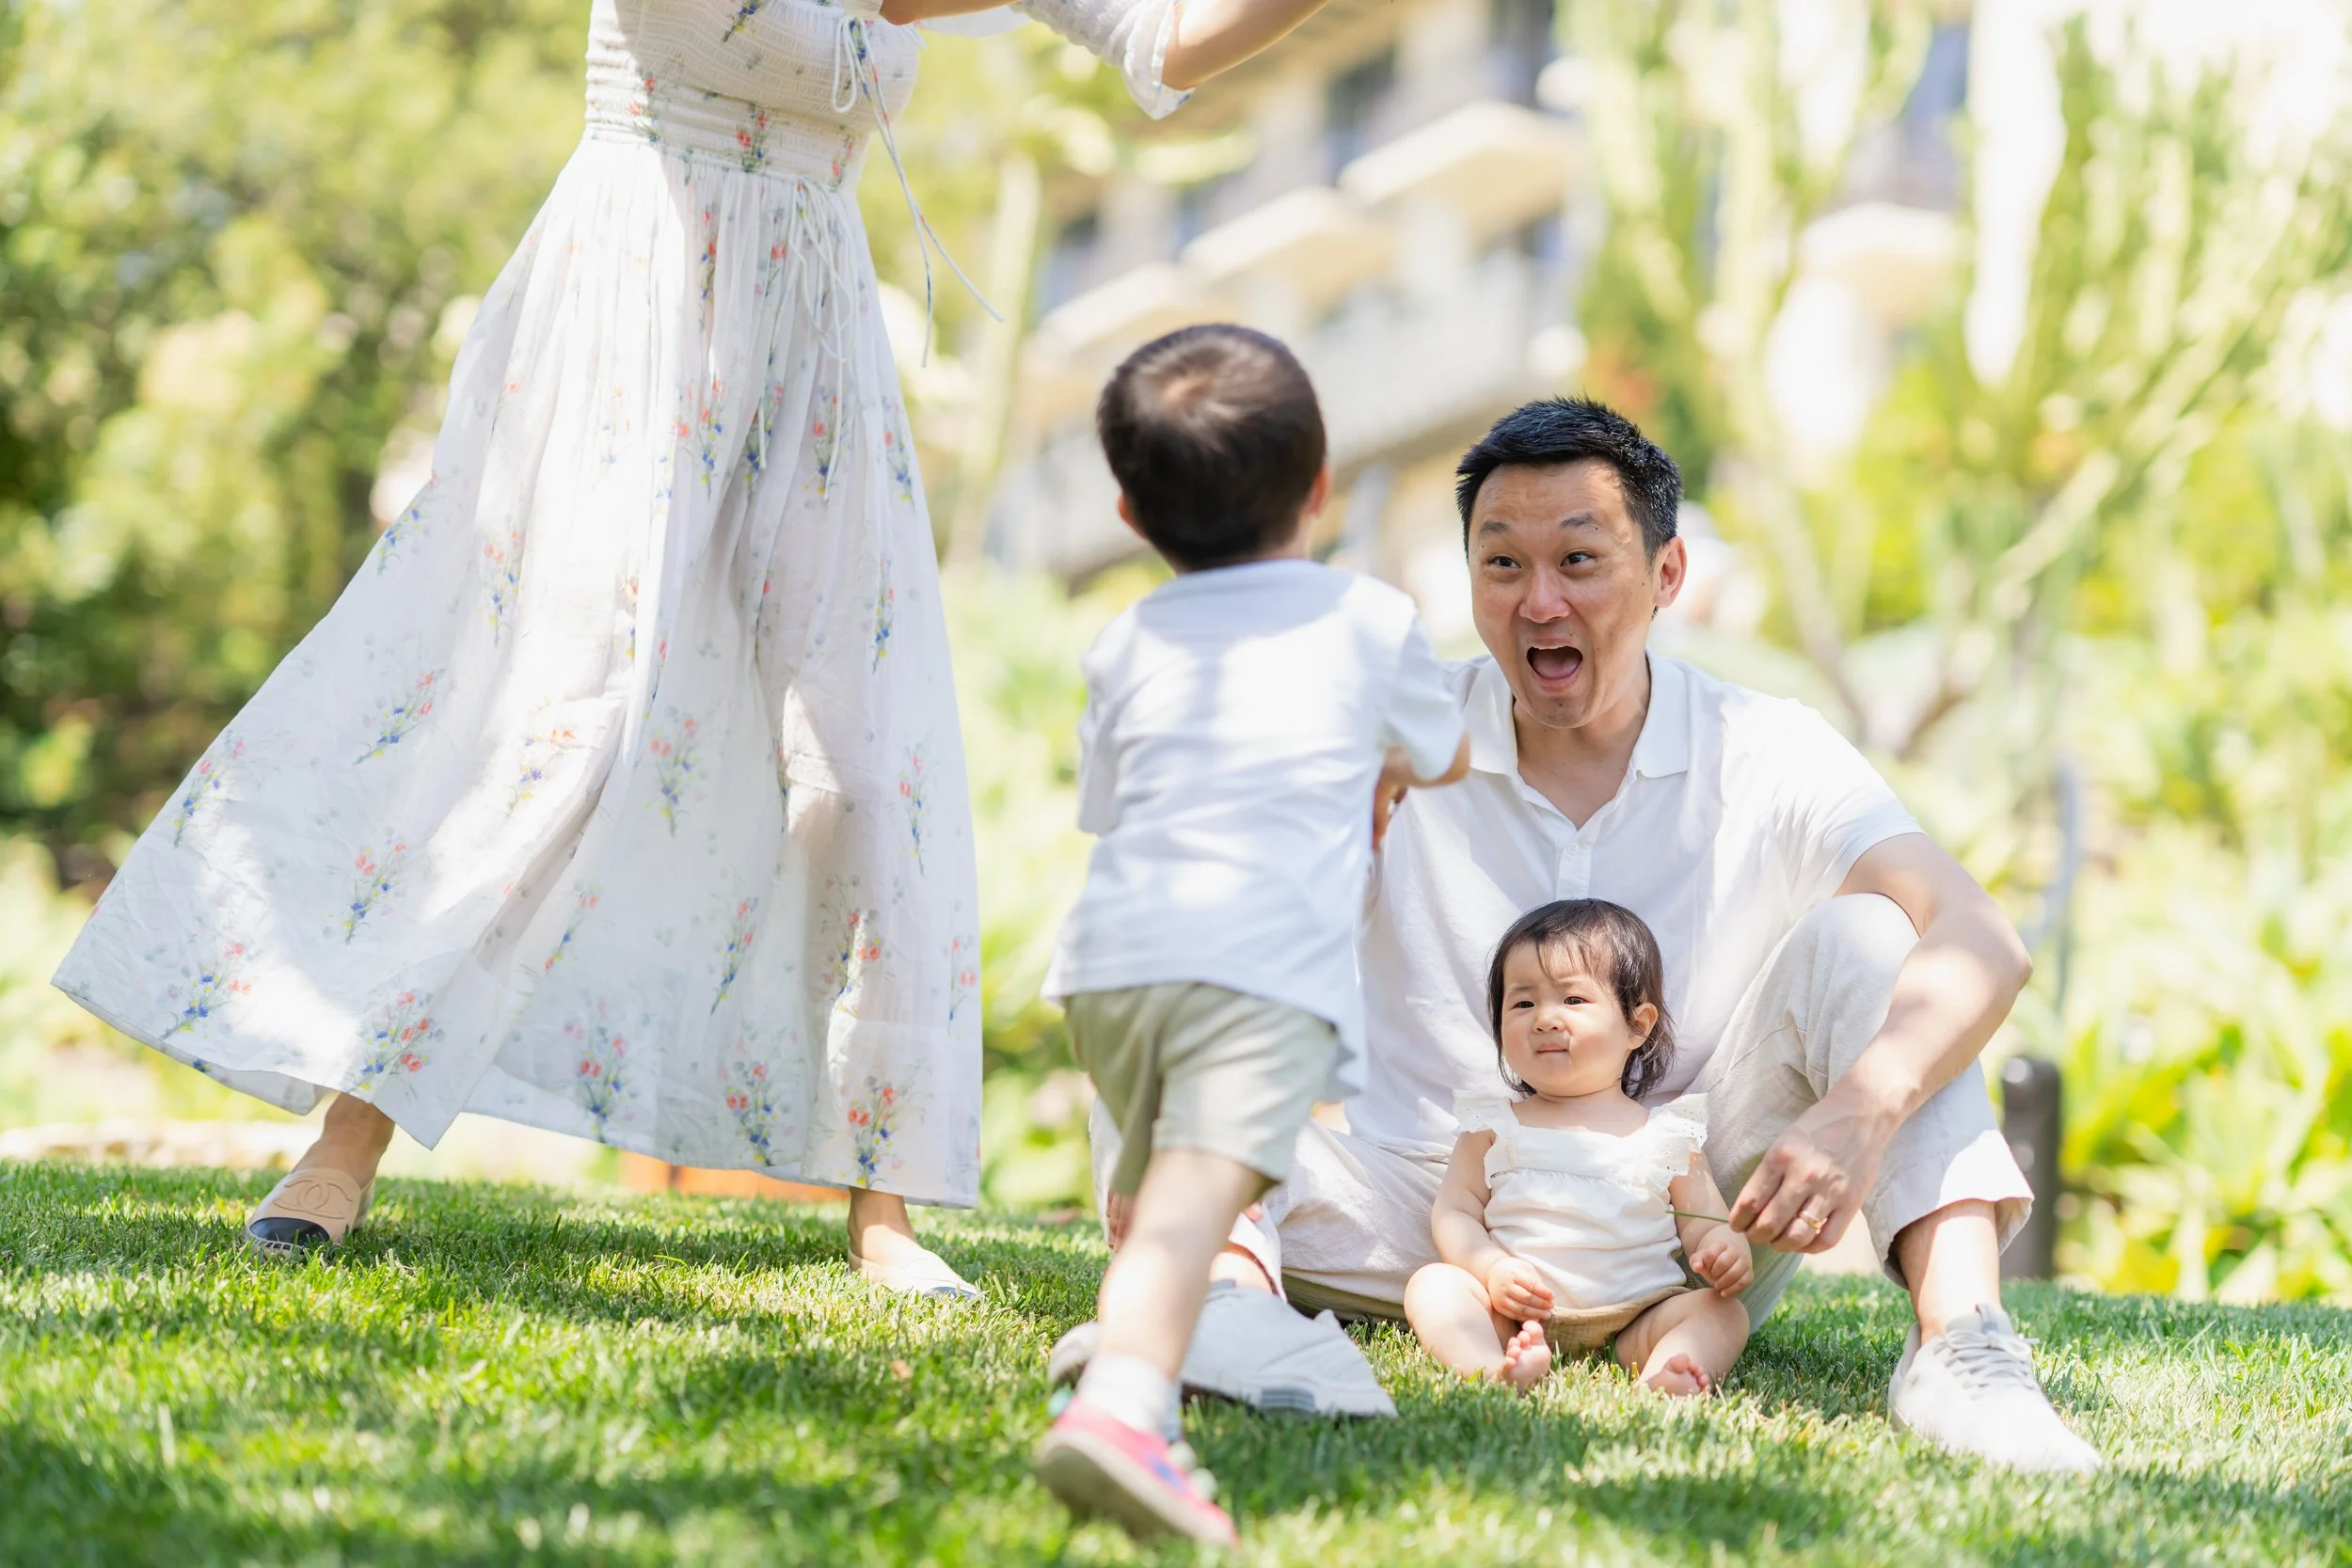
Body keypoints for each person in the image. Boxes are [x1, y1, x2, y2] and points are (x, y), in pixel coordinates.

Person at [49, 0, 1351, 1294]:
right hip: (632, 311)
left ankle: (882, 1203)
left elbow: (1164, 36)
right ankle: (343, 1141)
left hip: (812, 333)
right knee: (565, 716)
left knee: (855, 757)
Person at [1067, 396, 2104, 1474]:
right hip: (1406, 1214)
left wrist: (1859, 1108)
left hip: (1674, 1223)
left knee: (1875, 938)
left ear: (1665, 575)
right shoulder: (1400, 724)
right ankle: (1226, 1300)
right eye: (1501, 564)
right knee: (1170, 933)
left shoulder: (1766, 748)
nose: (1539, 600)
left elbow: (1983, 931)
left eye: (1578, 557)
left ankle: (1962, 1345)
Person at [1031, 325, 1468, 1544]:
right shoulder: (1372, 618)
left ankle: (1141, 1304)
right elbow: (1445, 751)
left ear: (1128, 509)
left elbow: (1107, 803)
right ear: (1321, 487)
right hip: (1254, 974)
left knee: (1164, 1179)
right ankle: (1125, 1409)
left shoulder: (1124, 639)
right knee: (1198, 1200)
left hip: (1110, 966)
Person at [1405, 900, 1752, 1396]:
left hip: (1638, 1316)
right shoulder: (1493, 1126)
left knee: (1723, 1313)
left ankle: (1661, 1376)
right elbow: (1455, 1212)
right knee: (1433, 1285)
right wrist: (1491, 1267)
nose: (1544, 1019)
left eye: (1573, 1000)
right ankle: (1489, 1369)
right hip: (1515, 1312)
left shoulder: (1668, 1134)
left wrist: (1725, 1250)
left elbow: (1707, 1224)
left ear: (1638, 1025)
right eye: (1522, 1003)